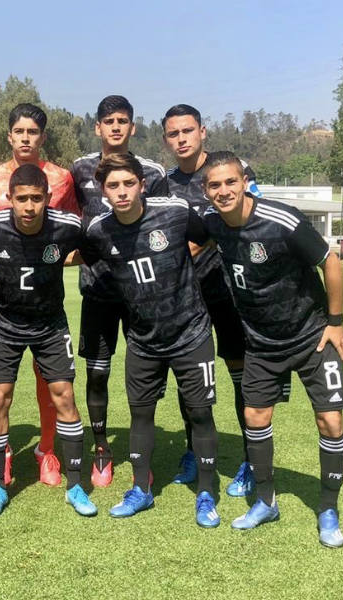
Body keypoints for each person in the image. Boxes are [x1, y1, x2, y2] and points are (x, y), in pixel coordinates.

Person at [201, 151, 343, 547]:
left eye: (230, 181)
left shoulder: (281, 219)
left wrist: (335, 324)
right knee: (255, 416)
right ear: (206, 191)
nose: (224, 190)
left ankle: (329, 509)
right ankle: (265, 500)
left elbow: (330, 262)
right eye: (215, 185)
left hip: (312, 335)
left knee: (330, 422)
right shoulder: (213, 224)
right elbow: (189, 246)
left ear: (244, 181)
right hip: (263, 343)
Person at [80, 154, 220, 526]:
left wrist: (176, 264)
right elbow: (88, 256)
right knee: (141, 415)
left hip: (191, 333)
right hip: (142, 340)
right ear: (103, 190)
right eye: (113, 185)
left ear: (142, 183)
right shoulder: (98, 230)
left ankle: (207, 493)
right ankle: (140, 490)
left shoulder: (174, 211)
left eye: (129, 183)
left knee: (201, 412)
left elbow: (206, 237)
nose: (122, 192)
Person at [160, 103, 289, 494]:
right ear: (166, 139)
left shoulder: (230, 172)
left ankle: (251, 458)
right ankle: (192, 452)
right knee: (190, 382)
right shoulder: (163, 185)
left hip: (230, 294)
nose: (181, 139)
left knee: (241, 376)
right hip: (186, 300)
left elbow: (257, 222)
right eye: (173, 134)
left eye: (187, 131)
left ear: (202, 132)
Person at [0, 163, 96, 518]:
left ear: (49, 199)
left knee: (64, 396)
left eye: (36, 199)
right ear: (8, 198)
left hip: (50, 324)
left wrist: (68, 258)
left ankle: (75, 485)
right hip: (4, 324)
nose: (29, 206)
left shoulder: (68, 225)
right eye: (21, 199)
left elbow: (98, 244)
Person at [0, 103, 79, 486]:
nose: (25, 138)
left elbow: (70, 234)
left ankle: (47, 451)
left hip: (45, 300)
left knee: (50, 381)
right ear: (9, 135)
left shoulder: (62, 178)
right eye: (18, 131)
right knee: (0, 388)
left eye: (32, 132)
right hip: (3, 299)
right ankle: (1, 453)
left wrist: (49, 261)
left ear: (42, 137)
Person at [70, 95, 165, 487]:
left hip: (142, 289)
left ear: (133, 126)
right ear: (97, 127)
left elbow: (162, 224)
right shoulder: (79, 170)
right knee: (97, 372)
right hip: (97, 286)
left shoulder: (153, 171)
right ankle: (101, 449)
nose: (115, 127)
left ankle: (142, 450)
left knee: (144, 373)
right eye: (108, 121)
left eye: (122, 121)